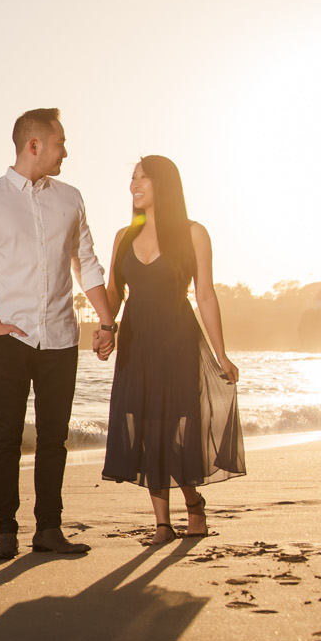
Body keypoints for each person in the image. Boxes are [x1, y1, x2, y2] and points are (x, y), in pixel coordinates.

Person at [0, 109, 119, 560]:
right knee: (6, 437)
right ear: (35, 145)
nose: (65, 150)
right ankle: (5, 531)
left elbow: (86, 263)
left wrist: (106, 323)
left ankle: (49, 528)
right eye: (60, 142)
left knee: (54, 437)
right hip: (10, 338)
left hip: (61, 339)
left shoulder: (70, 198)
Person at [100, 154, 245, 544]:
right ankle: (162, 524)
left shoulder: (193, 233)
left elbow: (206, 295)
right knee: (145, 428)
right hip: (136, 343)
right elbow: (114, 294)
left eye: (143, 177)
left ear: (164, 184)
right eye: (132, 177)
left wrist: (220, 354)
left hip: (178, 341)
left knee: (176, 428)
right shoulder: (123, 237)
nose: (135, 184)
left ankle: (193, 503)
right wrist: (105, 327)